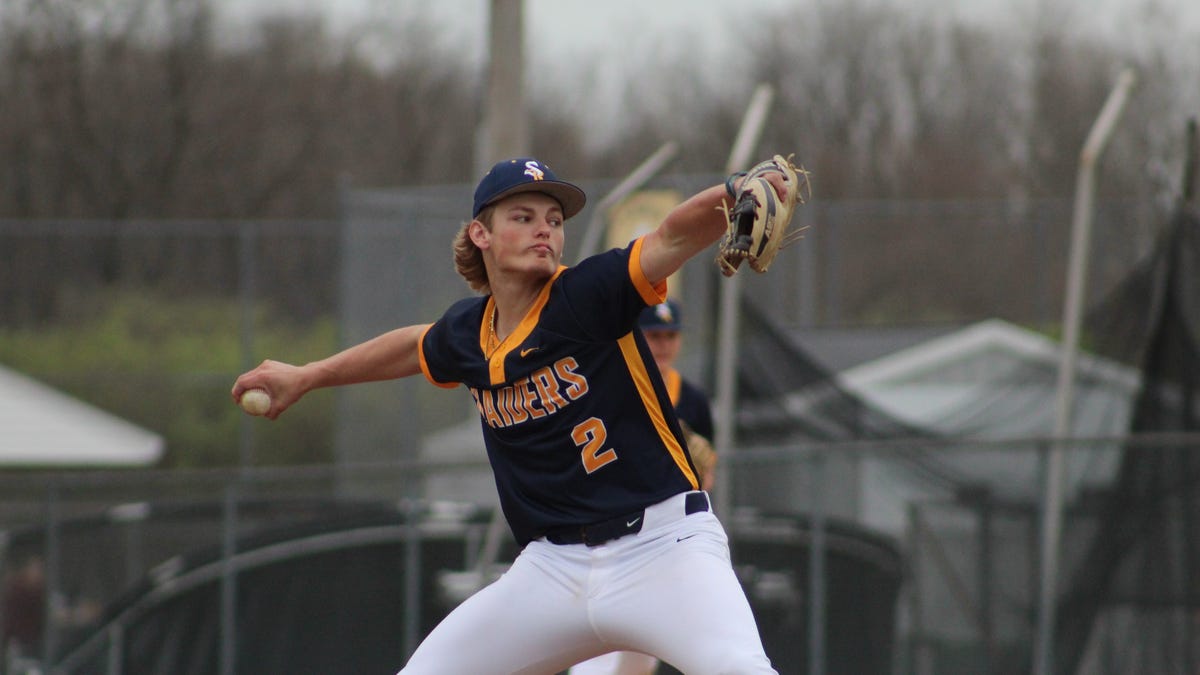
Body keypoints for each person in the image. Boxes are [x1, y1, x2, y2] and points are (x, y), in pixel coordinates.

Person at [232, 156, 789, 674]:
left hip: (662, 550)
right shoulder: (469, 334)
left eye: (553, 218)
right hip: (552, 571)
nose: (544, 228)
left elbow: (669, 236)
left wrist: (733, 191)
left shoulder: (585, 295)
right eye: (522, 217)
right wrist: (307, 375)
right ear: (482, 234)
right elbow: (411, 347)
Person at [570, 298, 717, 675]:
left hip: (667, 529)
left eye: (670, 335)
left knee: (646, 640)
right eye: (654, 335)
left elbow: (707, 469)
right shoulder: (620, 388)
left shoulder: (693, 399)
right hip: (614, 524)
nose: (663, 344)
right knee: (598, 636)